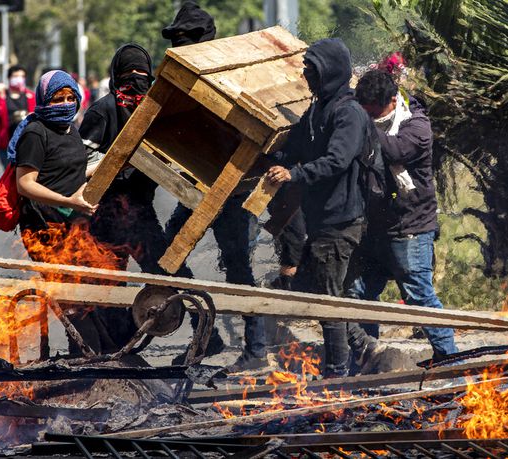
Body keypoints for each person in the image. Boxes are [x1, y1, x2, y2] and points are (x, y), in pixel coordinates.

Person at [163, 2, 269, 371]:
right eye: (176, 40)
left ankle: (256, 349)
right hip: (197, 189)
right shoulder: (182, 78)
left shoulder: (227, 77)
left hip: (233, 189)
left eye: (185, 39)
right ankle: (206, 335)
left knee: (239, 269)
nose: (179, 46)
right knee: (168, 252)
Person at [266, 38, 370, 378]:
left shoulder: (349, 113)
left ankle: (337, 374)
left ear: (330, 73)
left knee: (327, 301)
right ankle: (361, 344)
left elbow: (337, 160)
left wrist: (294, 174)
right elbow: (295, 145)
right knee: (315, 289)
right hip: (320, 220)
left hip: (340, 222)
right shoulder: (317, 110)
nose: (306, 76)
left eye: (312, 71)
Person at [343, 69, 458, 371]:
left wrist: (360, 123)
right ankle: (368, 360)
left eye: (373, 111)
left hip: (410, 228)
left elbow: (395, 150)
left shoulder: (416, 126)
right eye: (363, 109)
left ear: (392, 101)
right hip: (377, 228)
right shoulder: (372, 118)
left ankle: (450, 362)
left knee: (419, 296)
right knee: (360, 293)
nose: (368, 115)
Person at [79, 43, 180, 351]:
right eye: (129, 74)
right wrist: (115, 163)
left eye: (142, 74)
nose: (136, 80)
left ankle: (144, 338)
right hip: (106, 215)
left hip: (142, 212)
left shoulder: (153, 110)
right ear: (116, 76)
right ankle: (113, 350)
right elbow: (82, 159)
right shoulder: (103, 110)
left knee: (163, 279)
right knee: (109, 289)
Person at [12, 70, 105, 354]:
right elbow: (25, 184)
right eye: (57, 99)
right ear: (42, 100)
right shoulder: (35, 133)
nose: (65, 104)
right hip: (44, 228)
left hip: (74, 226)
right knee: (70, 299)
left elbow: (72, 172)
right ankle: (87, 361)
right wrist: (68, 200)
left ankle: (89, 357)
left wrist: (107, 165)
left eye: (70, 98)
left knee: (86, 295)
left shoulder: (72, 130)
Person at [0, 65, 36, 167]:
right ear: (9, 78)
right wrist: (1, 97)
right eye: (16, 76)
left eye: (22, 76)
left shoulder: (31, 96)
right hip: (7, 141)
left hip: (27, 141)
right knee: (9, 175)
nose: (19, 79)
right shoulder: (1, 96)